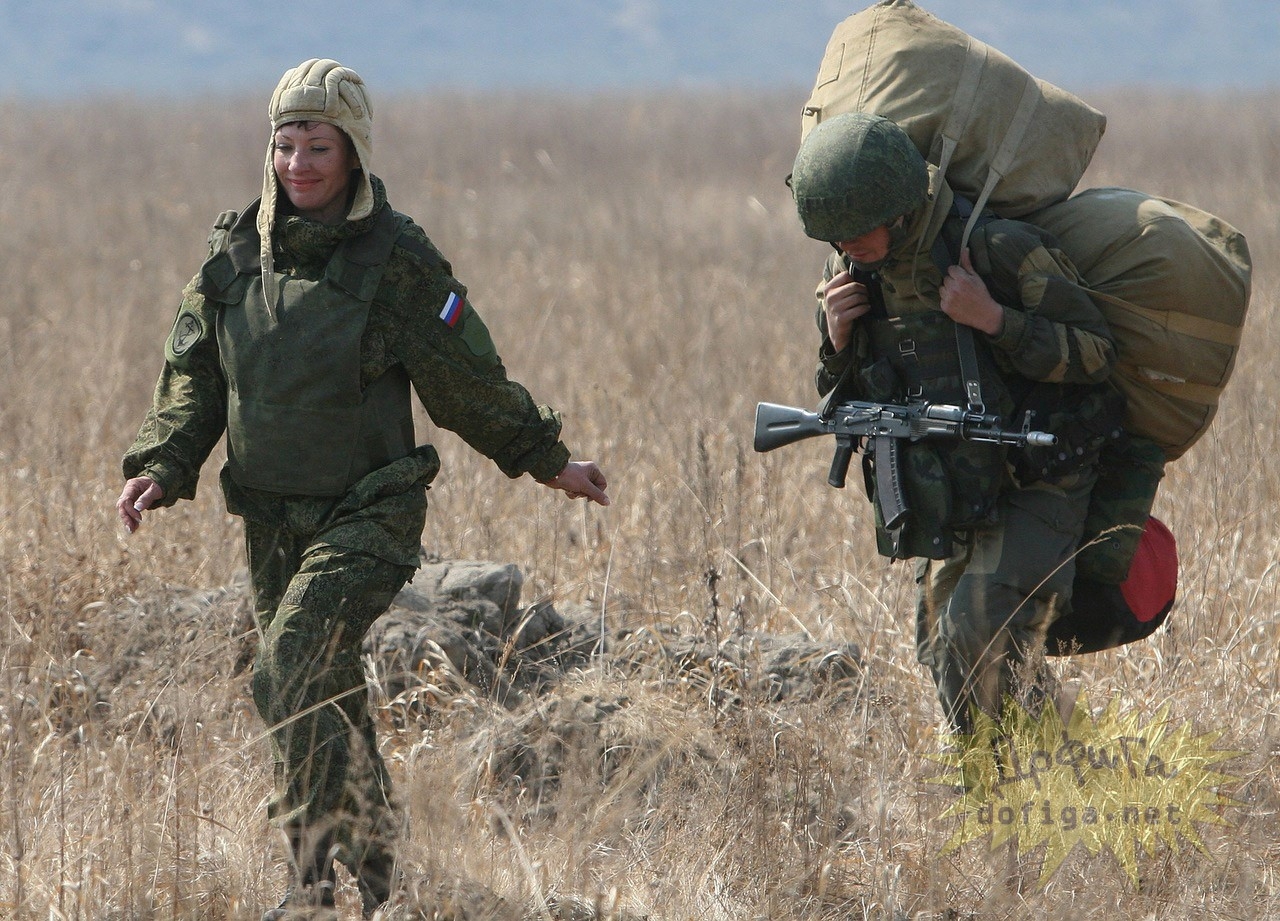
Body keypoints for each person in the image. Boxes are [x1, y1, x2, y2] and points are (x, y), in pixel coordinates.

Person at [115, 59, 609, 919]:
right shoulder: (233, 254)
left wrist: (546, 458)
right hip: (269, 515)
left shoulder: (397, 261)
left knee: (288, 665)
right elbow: (194, 376)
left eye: (319, 145)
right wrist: (160, 465)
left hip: (369, 509)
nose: (299, 163)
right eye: (285, 144)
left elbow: (466, 380)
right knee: (322, 686)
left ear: (354, 154)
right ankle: (382, 882)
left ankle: (308, 890)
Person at [787, 112, 1123, 736]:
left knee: (975, 629)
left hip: (1037, 473)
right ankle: (1031, 778)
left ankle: (1036, 779)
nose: (844, 248)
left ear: (900, 211)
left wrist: (994, 319)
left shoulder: (999, 249)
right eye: (834, 237)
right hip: (955, 484)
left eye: (856, 232)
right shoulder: (855, 278)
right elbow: (843, 399)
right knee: (941, 646)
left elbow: (1098, 353)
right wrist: (835, 340)